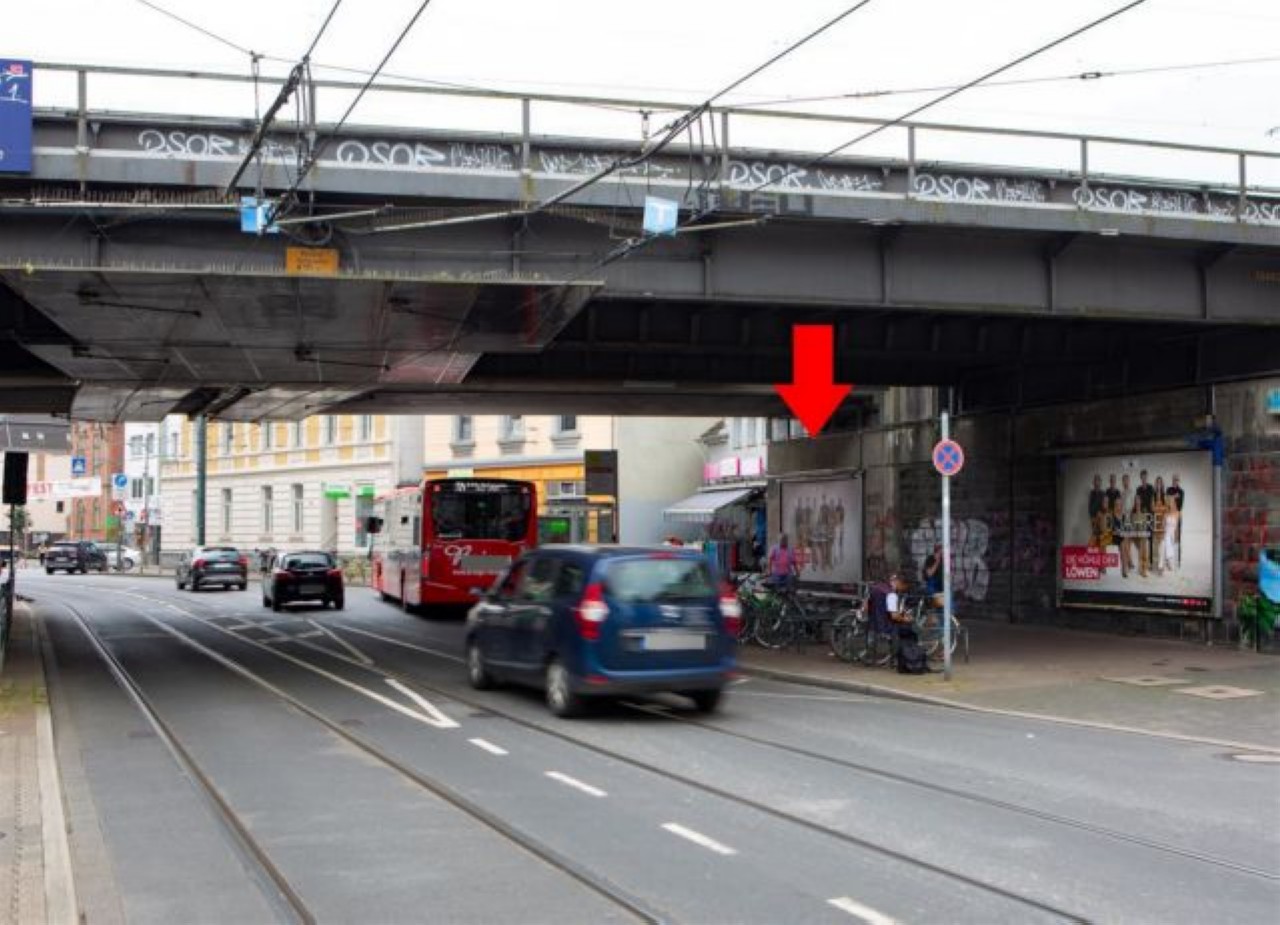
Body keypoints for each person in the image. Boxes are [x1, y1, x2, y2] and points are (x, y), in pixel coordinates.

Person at [921, 544, 944, 608]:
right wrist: (937, 562)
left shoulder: (943, 560)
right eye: (940, 553)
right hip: (932, 584)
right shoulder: (930, 559)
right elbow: (929, 574)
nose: (941, 555)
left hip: (941, 584)